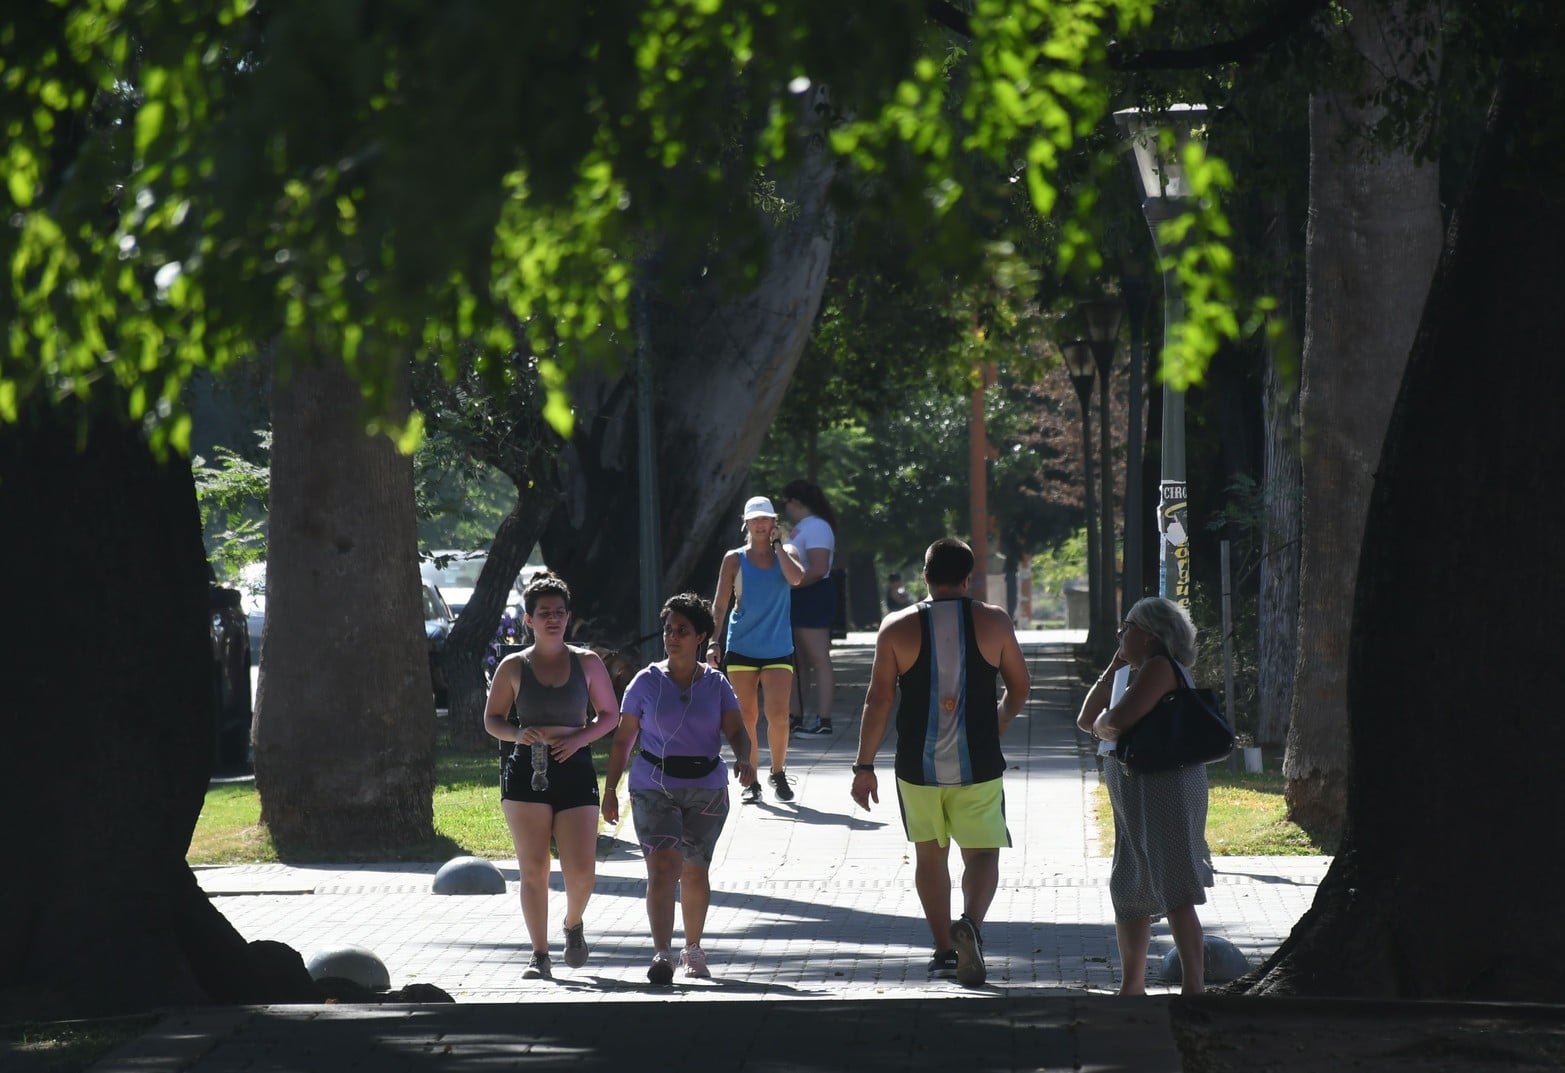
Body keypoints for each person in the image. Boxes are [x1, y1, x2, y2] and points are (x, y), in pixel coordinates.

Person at [850, 538, 1030, 986]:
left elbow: (878, 700)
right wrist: (1001, 719)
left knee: (930, 857)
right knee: (983, 852)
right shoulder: (994, 622)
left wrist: (863, 766)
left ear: (925, 577)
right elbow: (1020, 687)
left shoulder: (896, 627)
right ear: (969, 579)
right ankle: (971, 924)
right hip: (979, 762)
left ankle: (944, 952)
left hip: (917, 767)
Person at [602, 593, 756, 984]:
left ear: (700, 636)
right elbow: (623, 740)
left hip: (706, 788)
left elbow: (736, 729)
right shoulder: (645, 682)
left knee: (694, 869)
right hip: (653, 785)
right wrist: (610, 790)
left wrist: (744, 758)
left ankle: (693, 947)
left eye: (682, 631)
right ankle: (662, 954)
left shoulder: (716, 684)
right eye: (669, 630)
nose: (672, 637)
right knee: (662, 867)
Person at [482, 572, 623, 981]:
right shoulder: (514, 666)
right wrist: (517, 734)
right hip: (528, 769)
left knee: (581, 871)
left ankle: (573, 923)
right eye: (544, 613)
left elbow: (609, 715)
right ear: (529, 619)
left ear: (568, 617)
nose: (553, 619)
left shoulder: (587, 662)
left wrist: (580, 739)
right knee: (534, 867)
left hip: (574, 766)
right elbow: (492, 719)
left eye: (560, 612)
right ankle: (539, 953)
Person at [1074, 596, 1214, 996]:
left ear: (1149, 635)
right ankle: (1131, 986)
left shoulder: (1159, 668)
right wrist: (1114, 666)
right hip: (1134, 788)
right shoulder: (1134, 672)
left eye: (1127, 628)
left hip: (1166, 787)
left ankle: (1194, 988)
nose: (1121, 634)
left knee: (1175, 884)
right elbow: (1087, 719)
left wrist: (1104, 724)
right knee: (1130, 885)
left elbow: (1115, 721)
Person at [708, 495, 807, 803]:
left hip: (778, 647)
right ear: (746, 523)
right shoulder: (734, 559)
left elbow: (796, 578)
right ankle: (750, 778)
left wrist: (778, 547)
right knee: (746, 716)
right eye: (755, 519)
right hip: (742, 646)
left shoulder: (787, 552)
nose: (761, 524)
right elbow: (720, 604)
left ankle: (778, 772)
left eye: (766, 519)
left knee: (778, 714)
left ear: (774, 522)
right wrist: (713, 640)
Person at [780, 479, 839, 734]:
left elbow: (818, 568)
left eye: (786, 503)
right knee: (799, 661)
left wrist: (790, 586)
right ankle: (797, 716)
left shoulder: (817, 527)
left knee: (818, 658)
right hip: (799, 597)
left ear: (795, 502)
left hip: (813, 595)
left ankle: (824, 720)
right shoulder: (801, 528)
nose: (785, 508)